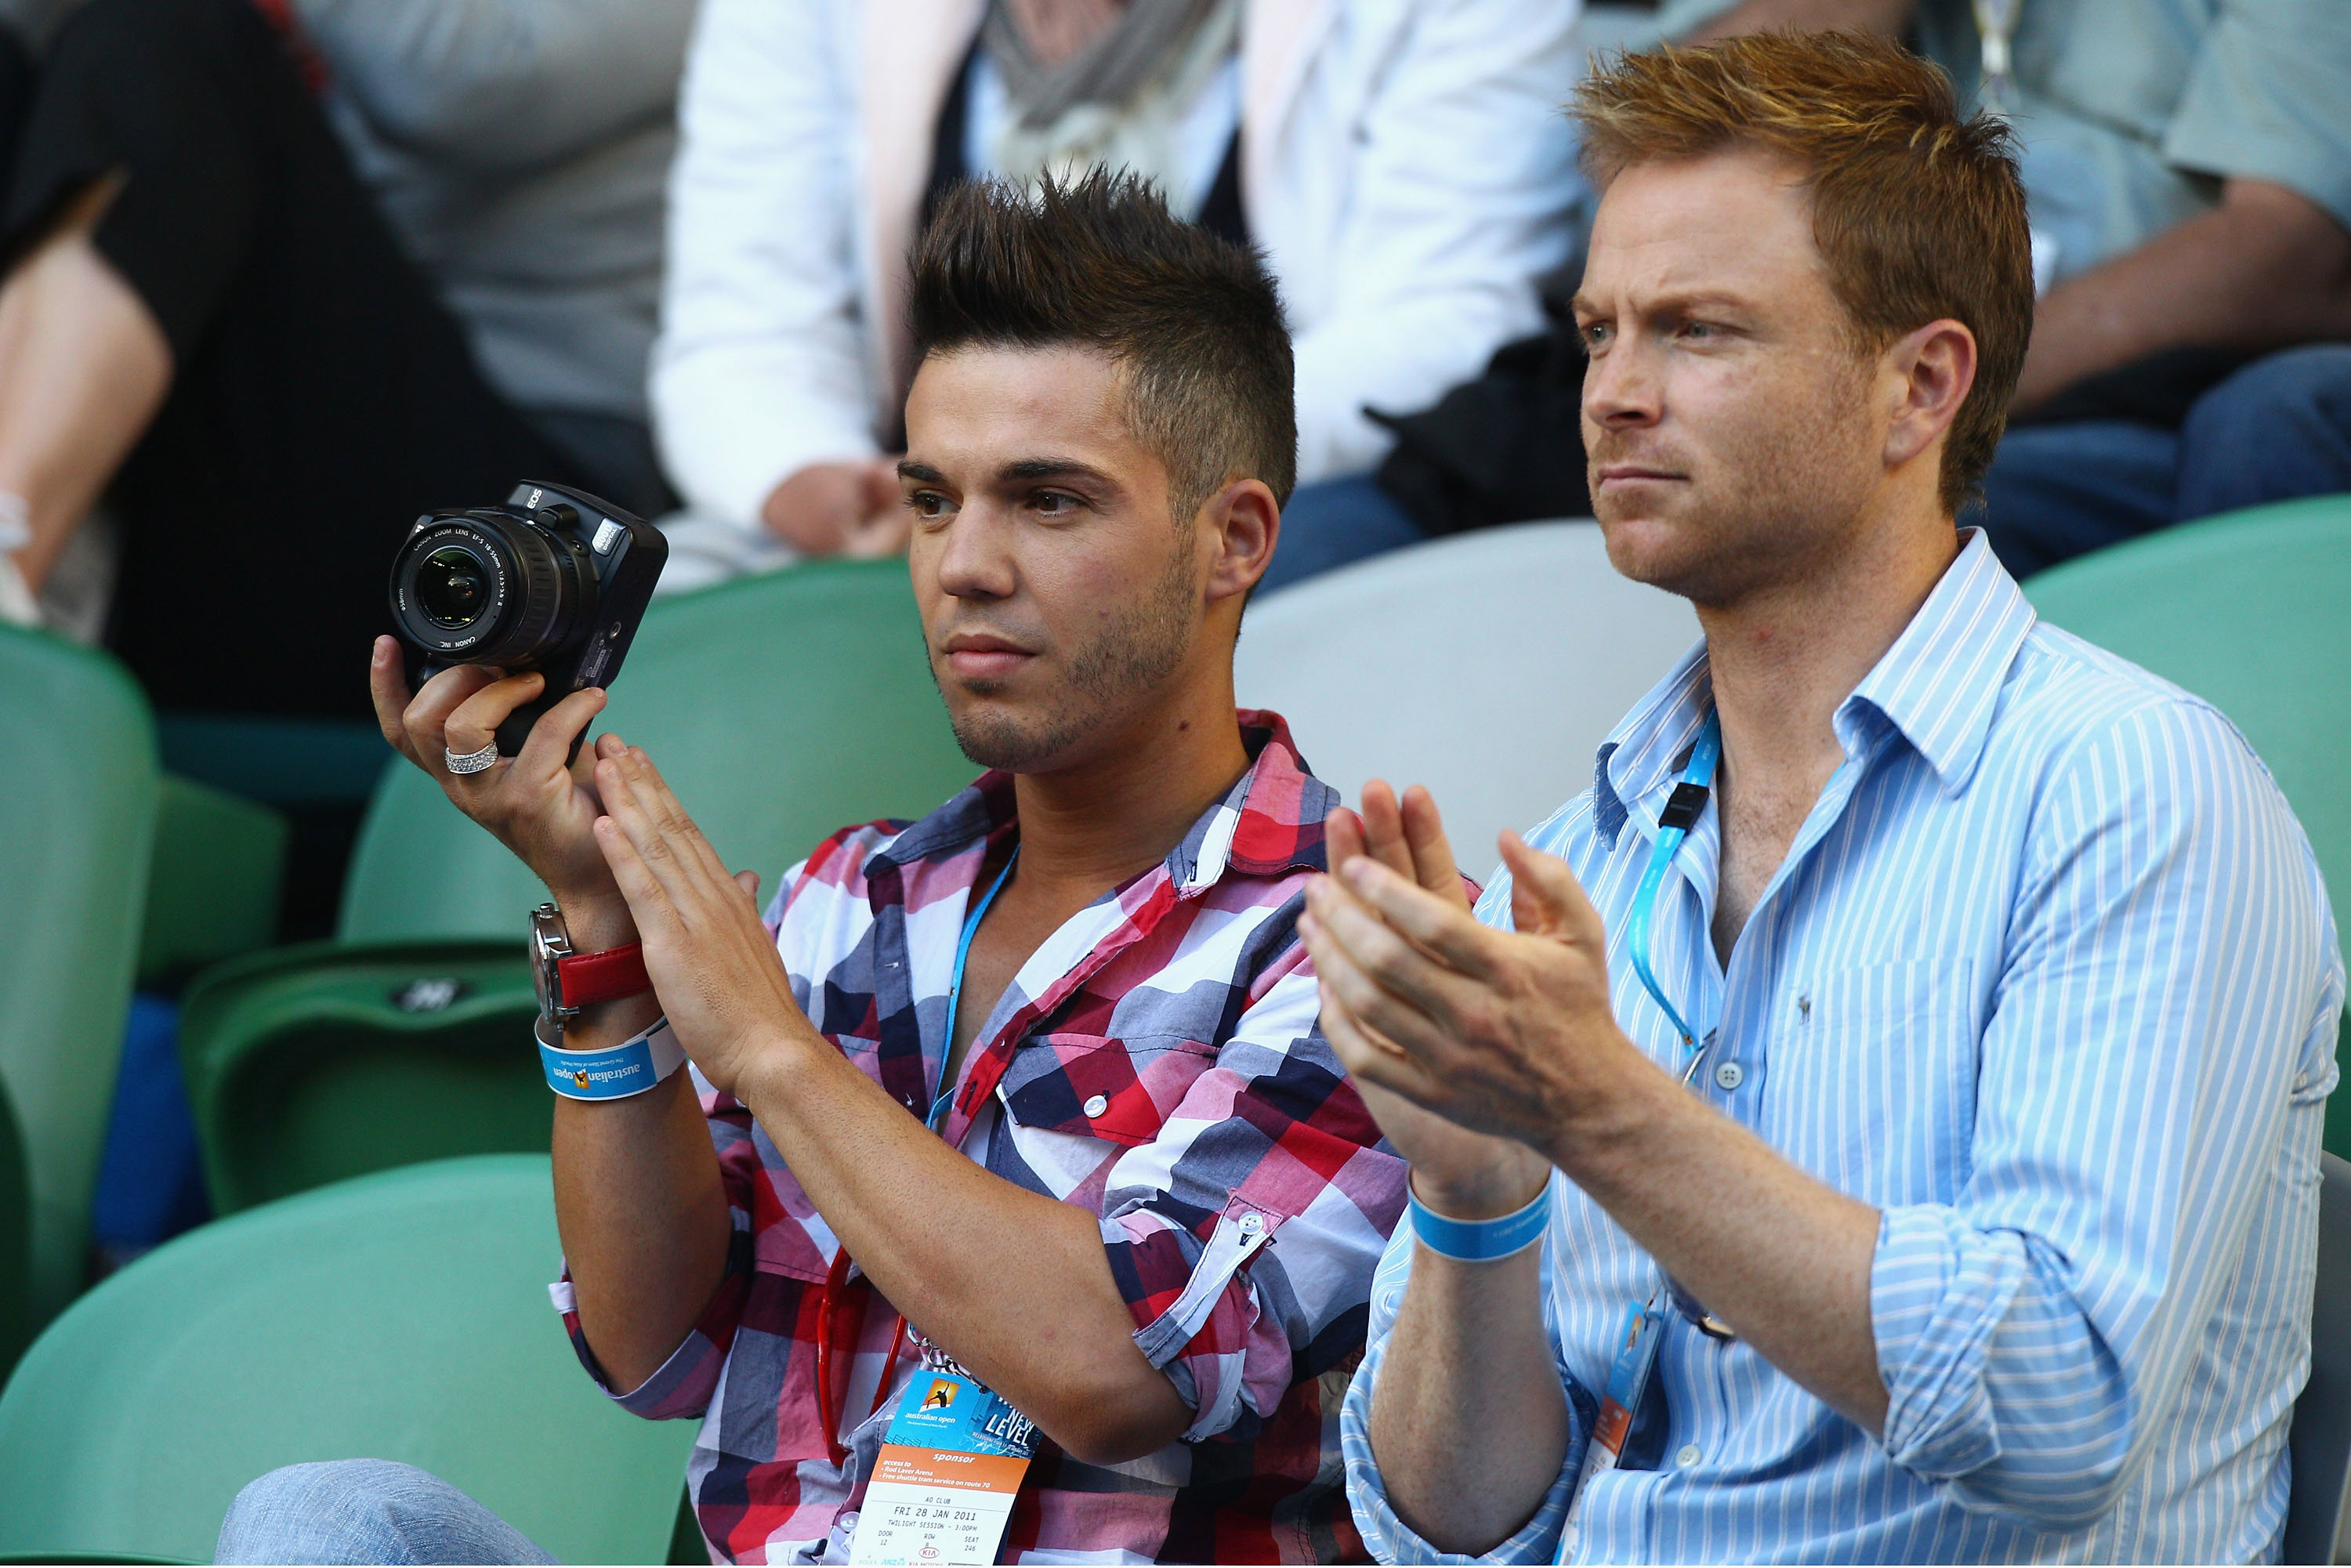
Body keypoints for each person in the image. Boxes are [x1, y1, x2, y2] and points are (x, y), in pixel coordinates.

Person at [218, 173, 1404, 1565]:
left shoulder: (1358, 938)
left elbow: (1118, 1367)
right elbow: (648, 1339)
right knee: (325, 1522)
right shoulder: (853, 895)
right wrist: (605, 937)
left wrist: (775, 1051)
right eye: (932, 497)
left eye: (1049, 501)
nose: (966, 564)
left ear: (1236, 541)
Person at [1308, 33, 2342, 1563]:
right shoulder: (1592, 843)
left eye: (1699, 331)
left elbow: (2061, 1407)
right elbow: (1444, 1527)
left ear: (1919, 383)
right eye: (1599, 333)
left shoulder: (2132, 789)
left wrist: (1599, 1106)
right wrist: (1476, 1200)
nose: (1614, 395)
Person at [647, 0, 1582, 596]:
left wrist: (1100, 466)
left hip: (1253, 501)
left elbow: (1450, 318)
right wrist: (826, 491)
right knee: (623, 628)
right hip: (896, 513)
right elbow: (741, 330)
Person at [0, 0, 693, 717]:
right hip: (256, 439)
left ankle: (7, 596)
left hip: (539, 494)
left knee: (165, 34)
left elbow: (463, 80)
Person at [1661, 0, 2351, 576]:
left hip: (2172, 390)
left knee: (2259, 428)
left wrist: (1930, 388)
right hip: (1941, 404)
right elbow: (1666, 163)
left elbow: (2287, 256)